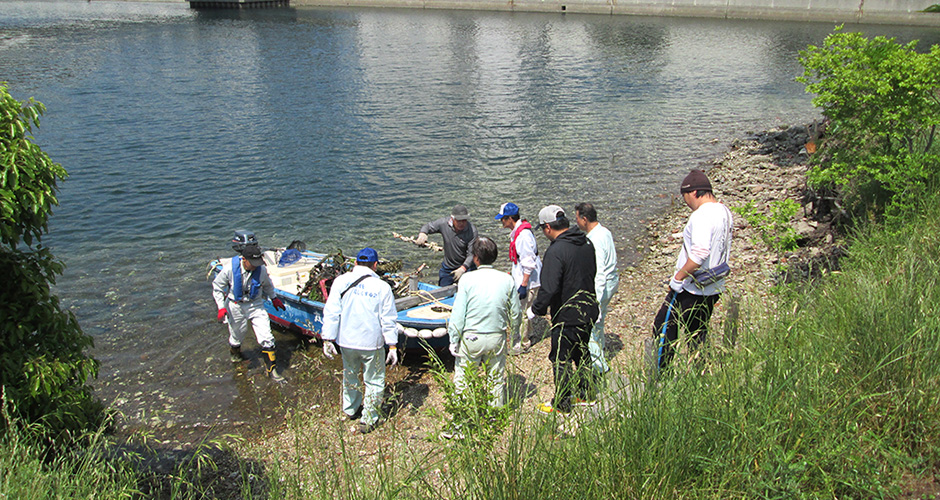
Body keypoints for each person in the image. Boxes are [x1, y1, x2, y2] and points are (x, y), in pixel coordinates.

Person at [652, 169, 733, 371]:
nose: (686, 202)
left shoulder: (701, 216)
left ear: (694, 192)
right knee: (697, 333)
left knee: (663, 327)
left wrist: (678, 278)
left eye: (685, 196)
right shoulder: (724, 211)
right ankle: (700, 372)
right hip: (714, 286)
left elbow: (699, 253)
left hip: (691, 288)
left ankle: (662, 375)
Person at [320, 247, 400, 434]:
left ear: (355, 263)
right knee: (374, 380)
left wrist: (327, 339)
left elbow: (331, 312)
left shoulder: (340, 281)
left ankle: (350, 409)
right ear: (375, 265)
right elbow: (388, 319)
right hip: (372, 343)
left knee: (350, 374)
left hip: (346, 341)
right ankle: (369, 418)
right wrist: (393, 345)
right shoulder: (382, 287)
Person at [531, 206, 599, 414]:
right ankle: (587, 394)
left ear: (548, 227)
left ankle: (562, 403)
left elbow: (549, 287)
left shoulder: (555, 250)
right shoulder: (586, 243)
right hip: (588, 308)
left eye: (543, 229)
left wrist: (537, 309)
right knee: (582, 351)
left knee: (560, 358)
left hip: (567, 313)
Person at [447, 236, 521, 410]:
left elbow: (459, 314)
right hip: (497, 336)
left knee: (464, 378)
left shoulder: (466, 279)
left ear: (475, 258)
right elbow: (516, 312)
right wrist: (516, 332)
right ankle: (495, 415)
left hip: (471, 337)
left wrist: (453, 338)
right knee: (495, 379)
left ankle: (463, 416)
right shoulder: (507, 279)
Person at [212, 231, 287, 382]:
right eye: (252, 264)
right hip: (235, 305)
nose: (255, 267)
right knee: (237, 336)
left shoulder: (261, 270)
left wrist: (274, 299)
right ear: (244, 260)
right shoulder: (229, 270)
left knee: (267, 337)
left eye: (257, 263)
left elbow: (268, 286)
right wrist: (221, 307)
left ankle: (272, 372)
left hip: (255, 304)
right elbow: (217, 287)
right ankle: (236, 356)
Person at [575, 202, 619, 377]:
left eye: (577, 218)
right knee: (599, 325)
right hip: (613, 280)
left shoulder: (594, 240)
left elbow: (599, 271)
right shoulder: (605, 231)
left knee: (591, 328)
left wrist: (596, 301)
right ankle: (599, 356)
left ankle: (600, 368)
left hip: (603, 285)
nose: (576, 222)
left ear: (584, 219)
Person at [495, 202, 542, 355]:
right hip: (526, 277)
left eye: (502, 219)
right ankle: (530, 333)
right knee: (526, 308)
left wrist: (523, 285)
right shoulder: (519, 232)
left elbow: (528, 262)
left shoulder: (522, 236)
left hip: (529, 280)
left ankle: (521, 343)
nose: (501, 222)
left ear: (509, 219)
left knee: (520, 312)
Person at [414, 205, 478, 286]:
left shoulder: (472, 231)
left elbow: (471, 254)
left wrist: (463, 268)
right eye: (458, 220)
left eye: (464, 220)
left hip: (466, 267)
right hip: (448, 267)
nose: (461, 223)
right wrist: (423, 234)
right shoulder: (443, 223)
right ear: (452, 218)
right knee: (442, 292)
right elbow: (428, 226)